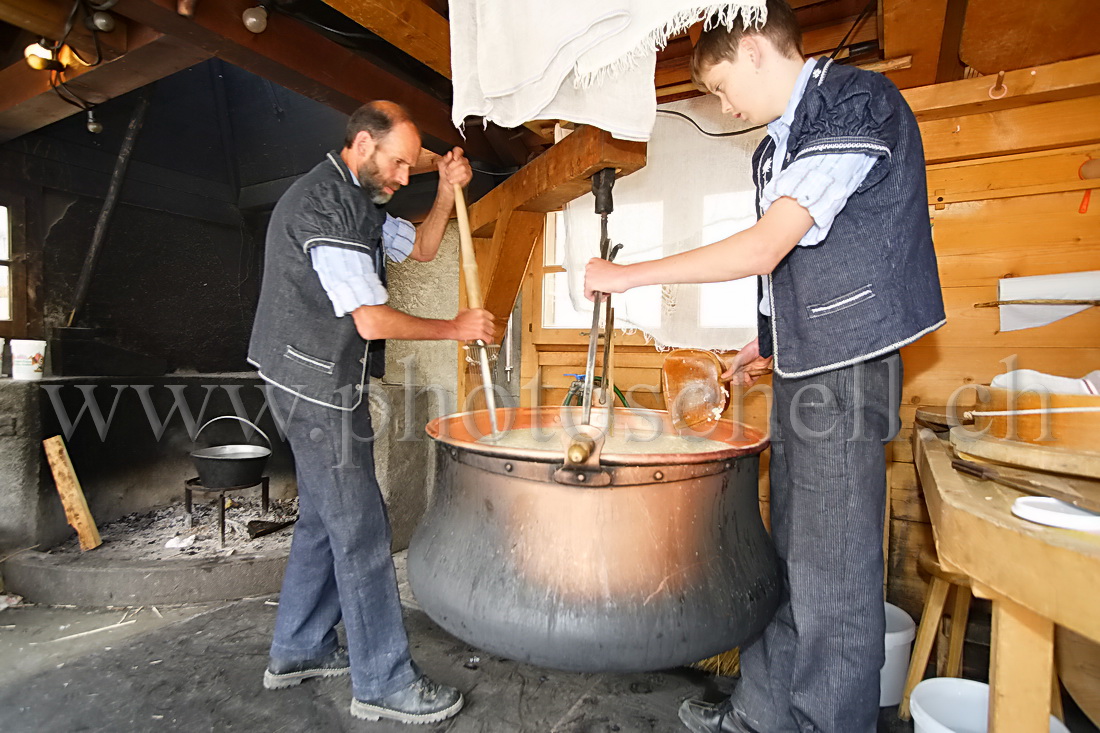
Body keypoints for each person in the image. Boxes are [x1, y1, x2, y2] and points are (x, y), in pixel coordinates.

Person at [584, 2, 945, 731]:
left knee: (834, 582)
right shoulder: (774, 149)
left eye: (720, 87)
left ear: (754, 49)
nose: (723, 106)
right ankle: (762, 712)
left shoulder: (854, 102)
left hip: (848, 373)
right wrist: (770, 343)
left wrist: (628, 276)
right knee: (791, 564)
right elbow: (797, 269)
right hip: (807, 370)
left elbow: (764, 247)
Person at [247, 100, 493, 725]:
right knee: (362, 526)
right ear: (362, 144)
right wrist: (456, 328)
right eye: (399, 164)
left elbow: (424, 249)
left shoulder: (362, 200)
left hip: (325, 379)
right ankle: (383, 681)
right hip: (310, 382)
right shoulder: (326, 205)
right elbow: (371, 318)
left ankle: (298, 650)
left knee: (326, 521)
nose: (403, 177)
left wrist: (445, 188)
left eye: (413, 165)